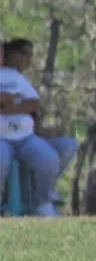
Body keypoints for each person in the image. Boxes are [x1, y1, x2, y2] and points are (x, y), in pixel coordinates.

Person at [0, 38, 78, 206]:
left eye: (31, 55)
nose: (28, 60)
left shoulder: (16, 77)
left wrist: (11, 105)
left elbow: (33, 103)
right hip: (3, 139)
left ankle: (41, 200)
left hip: (25, 137)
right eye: (24, 54)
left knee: (51, 157)